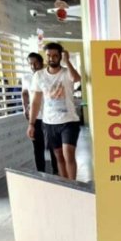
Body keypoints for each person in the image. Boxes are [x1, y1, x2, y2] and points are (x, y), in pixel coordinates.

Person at [26, 42, 81, 179]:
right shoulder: (39, 75)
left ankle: (73, 185)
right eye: (49, 55)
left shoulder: (67, 72)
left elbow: (76, 78)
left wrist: (67, 61)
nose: (51, 58)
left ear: (60, 56)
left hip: (69, 121)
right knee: (59, 157)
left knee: (68, 154)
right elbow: (35, 102)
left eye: (55, 55)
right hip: (49, 123)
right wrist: (31, 124)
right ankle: (65, 184)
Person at [22, 53, 58, 174]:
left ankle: (56, 173)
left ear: (41, 62)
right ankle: (40, 173)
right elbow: (24, 93)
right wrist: (24, 107)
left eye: (35, 63)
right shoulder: (26, 78)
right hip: (35, 118)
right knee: (38, 147)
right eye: (30, 64)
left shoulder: (50, 75)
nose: (33, 66)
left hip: (51, 118)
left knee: (53, 147)